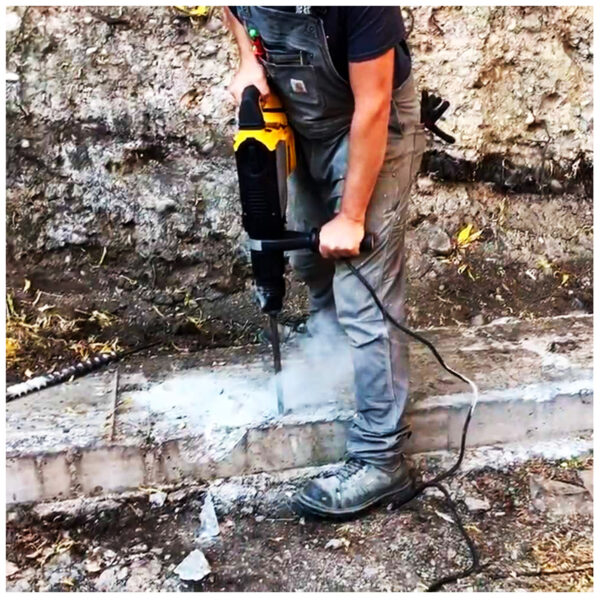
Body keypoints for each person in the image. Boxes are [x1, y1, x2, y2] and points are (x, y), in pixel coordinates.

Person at [224, 6, 426, 517]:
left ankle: (382, 458)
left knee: (362, 286)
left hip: (370, 124)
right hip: (301, 118)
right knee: (310, 260)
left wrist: (352, 217)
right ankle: (333, 355)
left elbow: (373, 104)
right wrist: (248, 60)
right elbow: (234, 10)